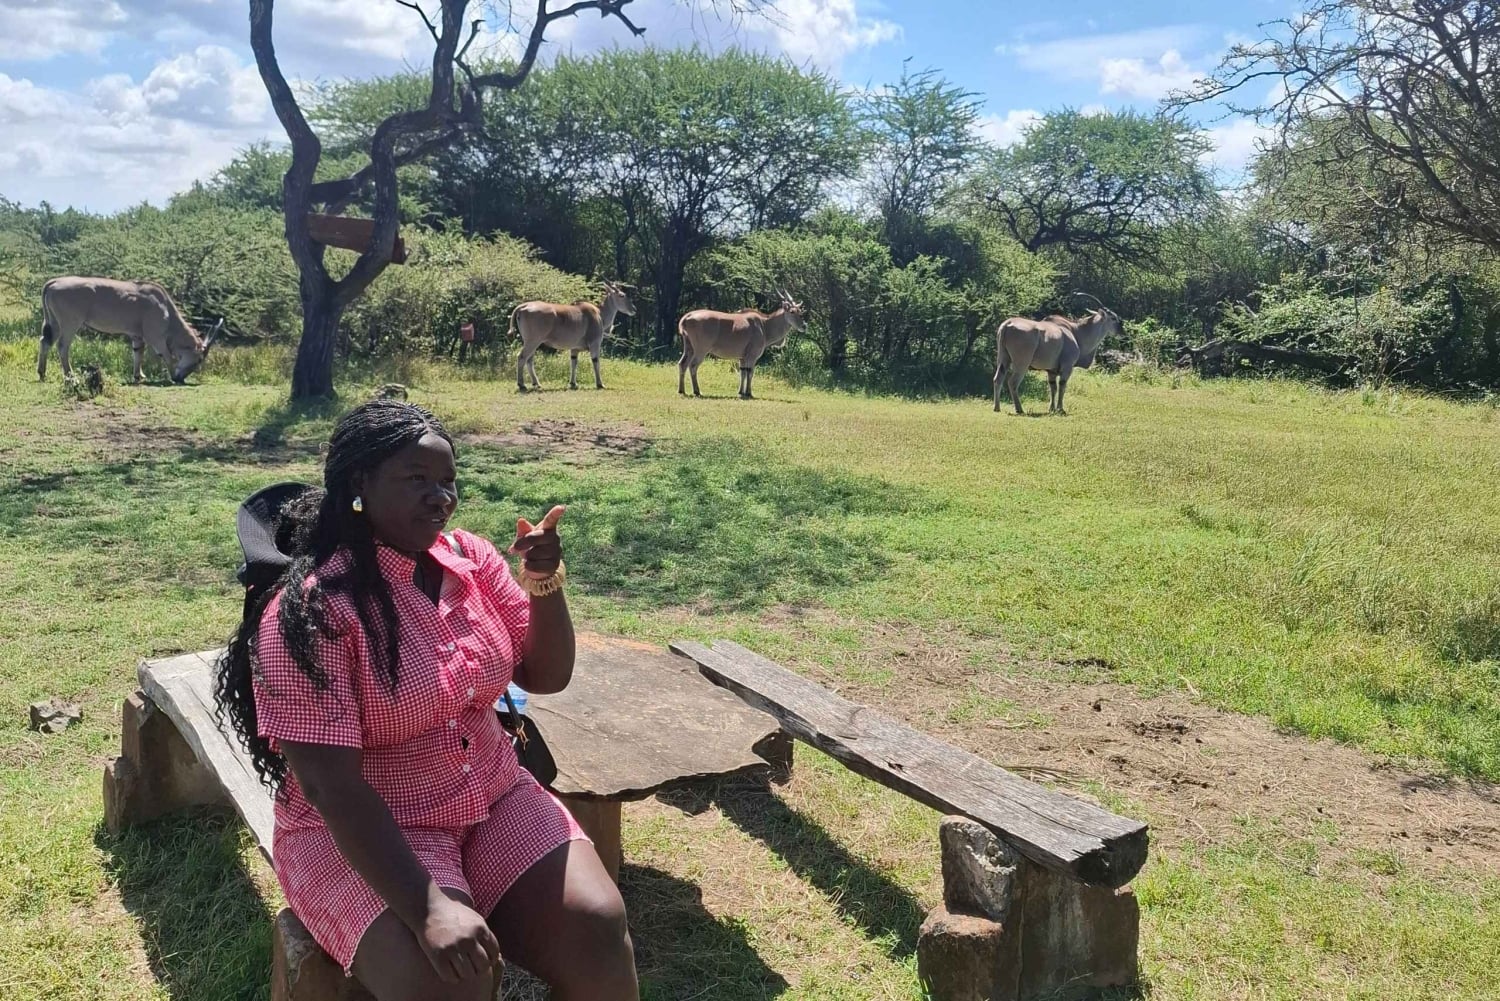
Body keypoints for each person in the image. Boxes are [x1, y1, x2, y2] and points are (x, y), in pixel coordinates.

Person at [216, 400, 637, 1001]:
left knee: (597, 927)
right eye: (417, 479)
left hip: (492, 794)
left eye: (447, 481)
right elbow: (330, 787)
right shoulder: (315, 609)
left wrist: (544, 581)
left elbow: (545, 675)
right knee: (454, 983)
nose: (440, 497)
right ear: (360, 483)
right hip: (370, 828)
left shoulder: (470, 559)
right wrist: (427, 906)